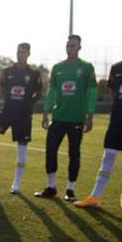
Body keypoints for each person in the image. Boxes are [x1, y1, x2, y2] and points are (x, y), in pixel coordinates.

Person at [75, 34, 122, 210]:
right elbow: (114, 91)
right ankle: (95, 196)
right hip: (117, 122)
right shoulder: (116, 68)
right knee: (108, 157)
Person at [34, 35, 96, 202]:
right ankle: (51, 187)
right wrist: (46, 112)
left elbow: (91, 92)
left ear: (79, 48)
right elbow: (52, 92)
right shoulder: (57, 68)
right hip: (59, 117)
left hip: (76, 119)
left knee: (74, 153)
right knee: (50, 150)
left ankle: (70, 189)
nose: (70, 49)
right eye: (68, 46)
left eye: (73, 46)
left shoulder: (86, 68)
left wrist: (89, 116)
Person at [0, 42, 42, 194]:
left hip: (24, 114)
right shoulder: (7, 71)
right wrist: (8, 100)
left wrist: (28, 104)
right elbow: (2, 87)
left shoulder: (34, 74)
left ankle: (16, 183)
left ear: (28, 54)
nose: (20, 54)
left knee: (21, 149)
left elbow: (39, 93)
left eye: (23, 52)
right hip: (7, 111)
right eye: (18, 51)